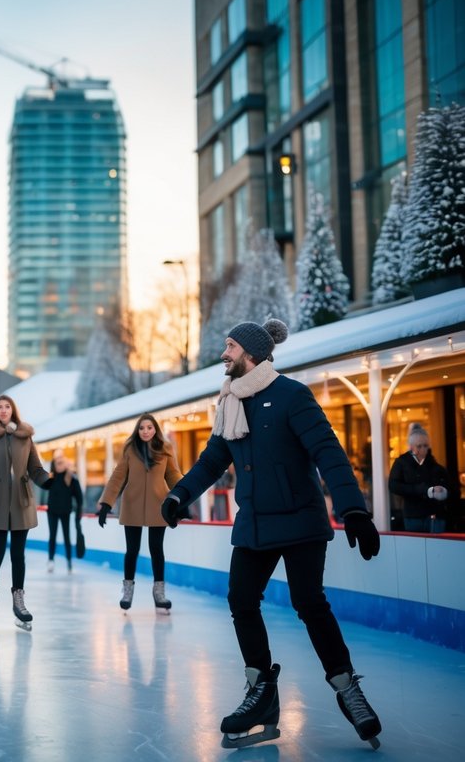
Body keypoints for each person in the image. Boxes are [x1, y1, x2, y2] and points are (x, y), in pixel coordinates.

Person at [161, 319, 383, 750]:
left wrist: (353, 509)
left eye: (229, 346)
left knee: (309, 603)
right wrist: (178, 495)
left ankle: (347, 687)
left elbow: (327, 452)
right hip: (255, 523)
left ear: (250, 353)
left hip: (300, 521)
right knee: (241, 601)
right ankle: (261, 691)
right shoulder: (230, 402)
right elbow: (211, 462)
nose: (223, 354)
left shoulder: (291, 395)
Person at [0, 394, 49, 631]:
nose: (4, 410)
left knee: (18, 555)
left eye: (7, 406)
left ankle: (19, 602)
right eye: (0, 407)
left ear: (13, 410)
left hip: (21, 502)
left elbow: (35, 467)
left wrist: (48, 481)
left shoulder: (25, 436)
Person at [97, 413, 182, 613]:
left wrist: (182, 499)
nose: (145, 431)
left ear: (155, 430)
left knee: (156, 549)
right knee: (132, 550)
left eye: (149, 428)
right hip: (132, 504)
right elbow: (118, 476)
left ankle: (159, 593)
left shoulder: (165, 448)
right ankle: (127, 591)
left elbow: (173, 474)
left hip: (157, 505)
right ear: (138, 430)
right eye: (142, 428)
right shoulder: (130, 448)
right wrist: (106, 503)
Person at [388, 423, 453, 534]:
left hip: (434, 515)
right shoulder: (402, 462)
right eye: (419, 446)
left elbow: (448, 486)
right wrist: (424, 490)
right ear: (411, 446)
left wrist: (443, 491)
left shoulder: (434, 465)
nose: (423, 449)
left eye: (425, 446)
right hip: (413, 516)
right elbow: (394, 486)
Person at [42, 455, 83, 573]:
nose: (59, 465)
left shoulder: (71, 478)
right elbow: (43, 485)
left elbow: (79, 497)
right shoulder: (51, 478)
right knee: (52, 536)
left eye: (61, 463)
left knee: (67, 537)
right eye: (57, 463)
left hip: (65, 512)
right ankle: (50, 560)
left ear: (66, 464)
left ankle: (69, 561)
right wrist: (48, 474)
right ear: (53, 465)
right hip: (52, 512)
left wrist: (79, 512)